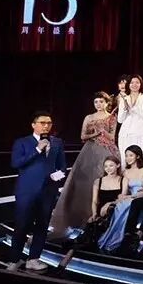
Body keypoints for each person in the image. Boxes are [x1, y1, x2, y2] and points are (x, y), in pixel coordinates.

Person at [51, 92, 119, 235]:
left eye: (101, 101)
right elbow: (83, 136)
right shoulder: (89, 117)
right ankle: (81, 217)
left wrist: (103, 131)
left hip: (107, 151)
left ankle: (102, 218)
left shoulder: (112, 117)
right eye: (96, 102)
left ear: (107, 103)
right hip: (89, 151)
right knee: (85, 183)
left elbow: (112, 137)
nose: (98, 104)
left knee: (104, 180)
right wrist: (95, 134)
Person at [7, 112, 67, 272]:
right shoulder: (22, 142)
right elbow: (16, 163)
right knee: (22, 225)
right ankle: (14, 260)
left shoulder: (57, 142)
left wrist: (56, 178)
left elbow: (62, 166)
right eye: (42, 123)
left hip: (48, 191)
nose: (46, 126)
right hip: (26, 191)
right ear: (34, 125)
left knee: (42, 226)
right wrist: (37, 150)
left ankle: (33, 259)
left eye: (49, 123)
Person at [99, 145, 143, 253]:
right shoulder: (125, 171)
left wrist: (129, 197)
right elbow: (124, 192)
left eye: (131, 155)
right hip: (129, 197)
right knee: (120, 205)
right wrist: (115, 200)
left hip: (141, 198)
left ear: (138, 156)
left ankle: (121, 238)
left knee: (127, 204)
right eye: (126, 156)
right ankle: (113, 238)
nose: (128, 158)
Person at [82, 156, 127, 246]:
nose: (108, 168)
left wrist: (109, 203)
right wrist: (94, 213)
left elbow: (122, 198)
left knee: (111, 209)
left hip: (116, 210)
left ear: (118, 165)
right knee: (91, 224)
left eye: (111, 165)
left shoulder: (123, 180)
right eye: (106, 166)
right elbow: (94, 201)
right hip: (100, 210)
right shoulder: (98, 181)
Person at [118, 74, 143, 158]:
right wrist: (125, 110)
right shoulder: (124, 99)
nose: (134, 85)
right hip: (125, 133)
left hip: (141, 132)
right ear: (128, 84)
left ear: (141, 84)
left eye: (137, 82)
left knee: (142, 157)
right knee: (125, 158)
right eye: (132, 82)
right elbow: (120, 120)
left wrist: (134, 107)